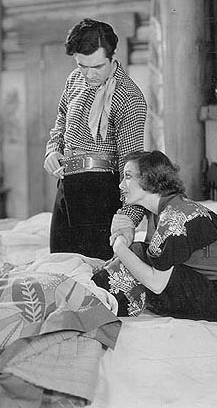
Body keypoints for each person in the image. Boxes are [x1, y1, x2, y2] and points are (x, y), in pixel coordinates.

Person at [43, 18, 147, 260]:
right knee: (59, 264)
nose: (89, 74)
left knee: (93, 270)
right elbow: (61, 121)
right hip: (66, 186)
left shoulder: (129, 97)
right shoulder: (74, 79)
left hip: (101, 193)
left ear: (113, 56)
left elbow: (131, 166)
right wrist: (53, 150)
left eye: (97, 67)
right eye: (82, 65)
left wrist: (128, 218)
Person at [107, 150, 217, 321]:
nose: (121, 185)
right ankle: (100, 294)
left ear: (149, 179)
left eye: (128, 176)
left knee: (135, 254)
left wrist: (119, 246)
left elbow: (157, 284)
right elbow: (154, 259)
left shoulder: (174, 216)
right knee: (138, 252)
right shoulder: (165, 210)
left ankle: (98, 299)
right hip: (211, 288)